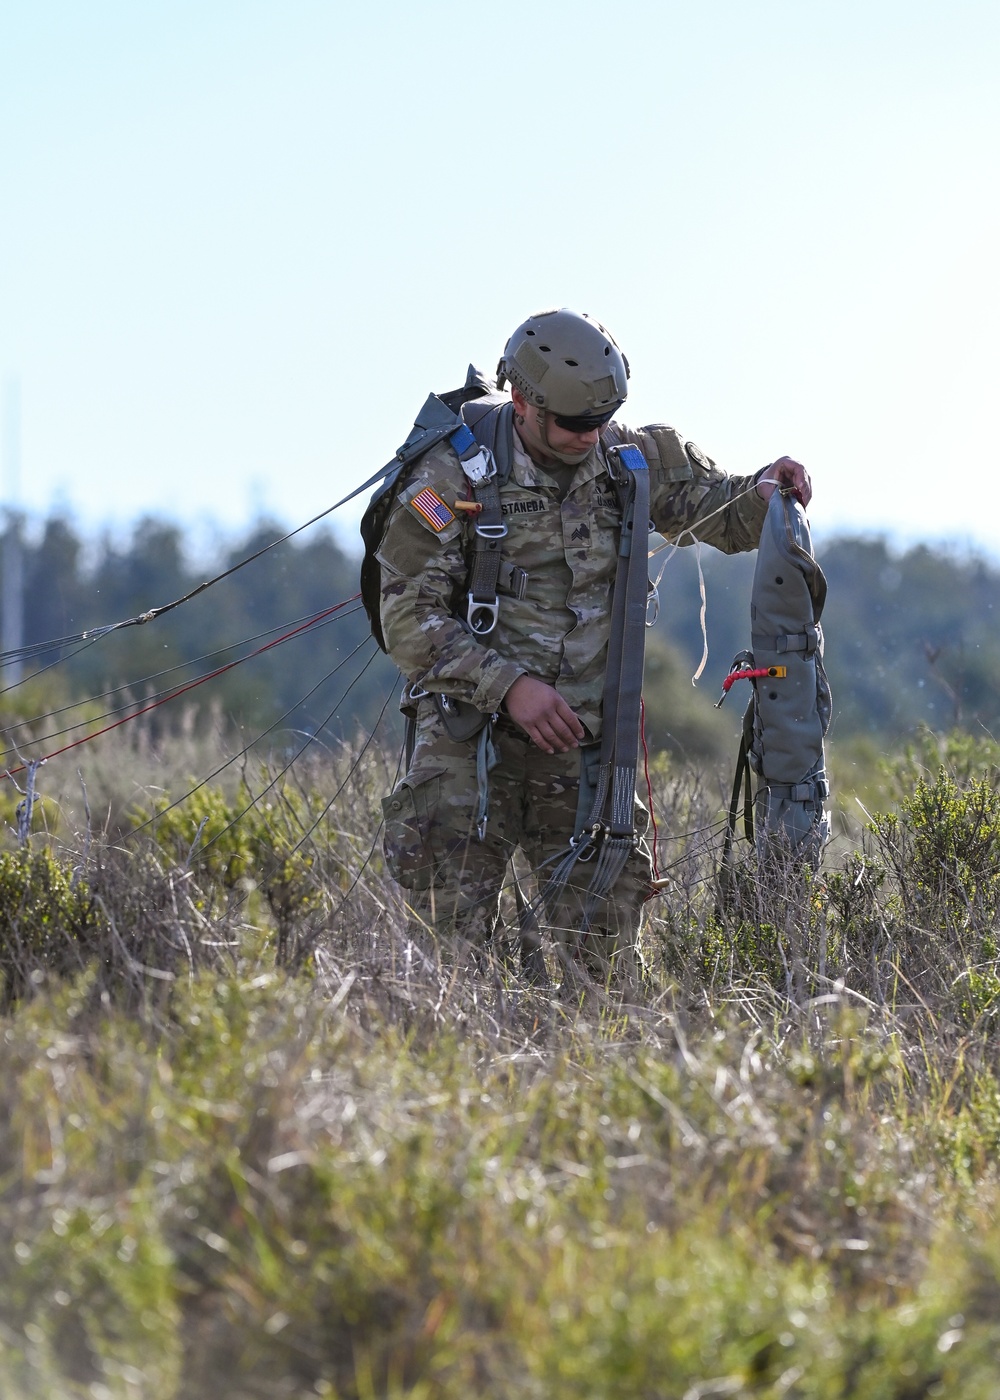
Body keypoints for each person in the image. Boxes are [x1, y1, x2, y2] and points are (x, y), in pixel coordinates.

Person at [376, 308, 810, 990]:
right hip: (469, 748)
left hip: (582, 754)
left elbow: (720, 511)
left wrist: (764, 490)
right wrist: (509, 687)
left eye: (601, 419)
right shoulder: (450, 475)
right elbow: (406, 618)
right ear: (522, 401)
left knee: (606, 972)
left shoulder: (630, 460)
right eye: (574, 423)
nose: (589, 435)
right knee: (453, 966)